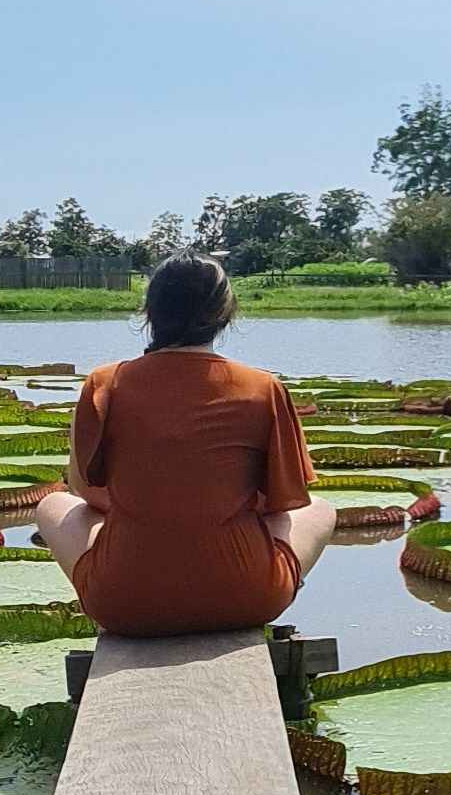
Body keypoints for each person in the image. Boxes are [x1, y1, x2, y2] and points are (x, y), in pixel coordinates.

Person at [33, 253, 336, 637]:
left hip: (124, 603)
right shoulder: (263, 387)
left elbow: (86, 488)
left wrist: (151, 505)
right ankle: (270, 580)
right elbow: (282, 501)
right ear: (226, 313)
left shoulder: (104, 383)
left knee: (53, 504)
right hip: (246, 598)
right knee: (322, 509)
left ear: (150, 311)